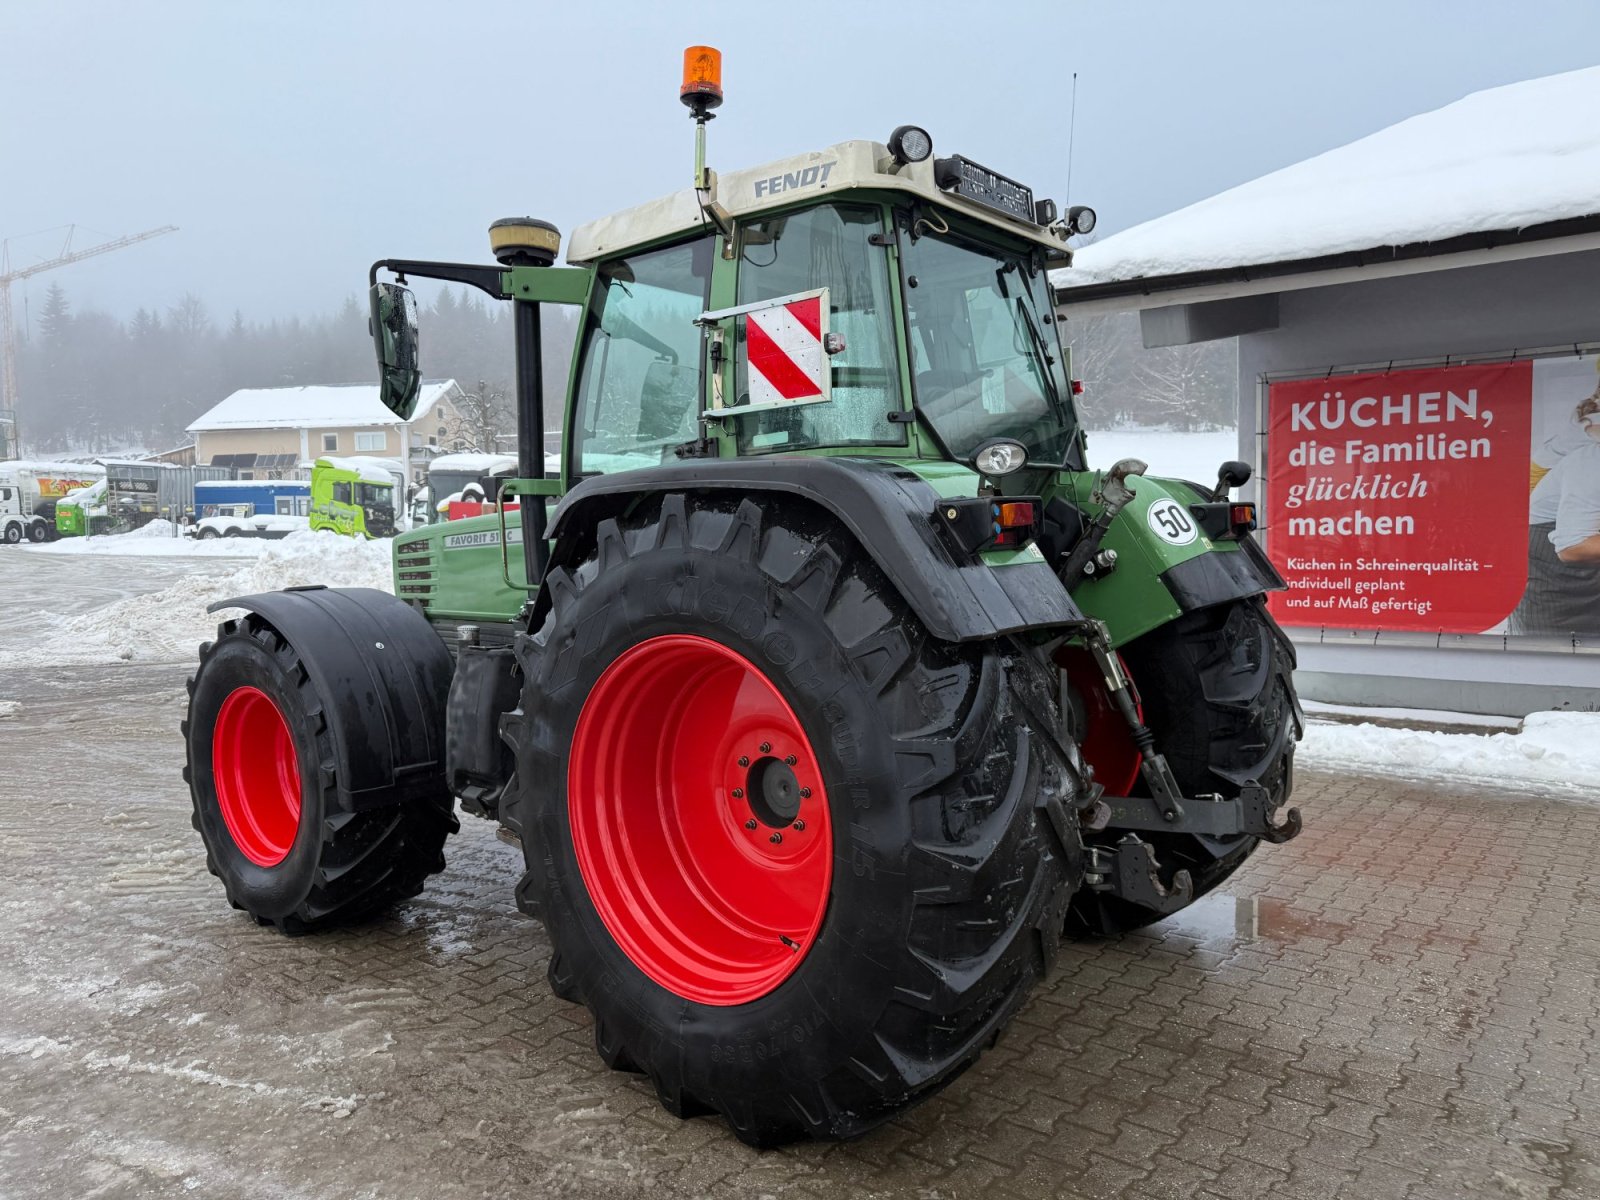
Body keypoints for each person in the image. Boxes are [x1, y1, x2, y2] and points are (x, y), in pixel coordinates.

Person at [1508, 391, 1600, 636]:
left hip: (1578, 528)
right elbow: (1572, 546)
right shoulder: (1590, 446)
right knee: (1548, 653)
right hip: (1551, 547)